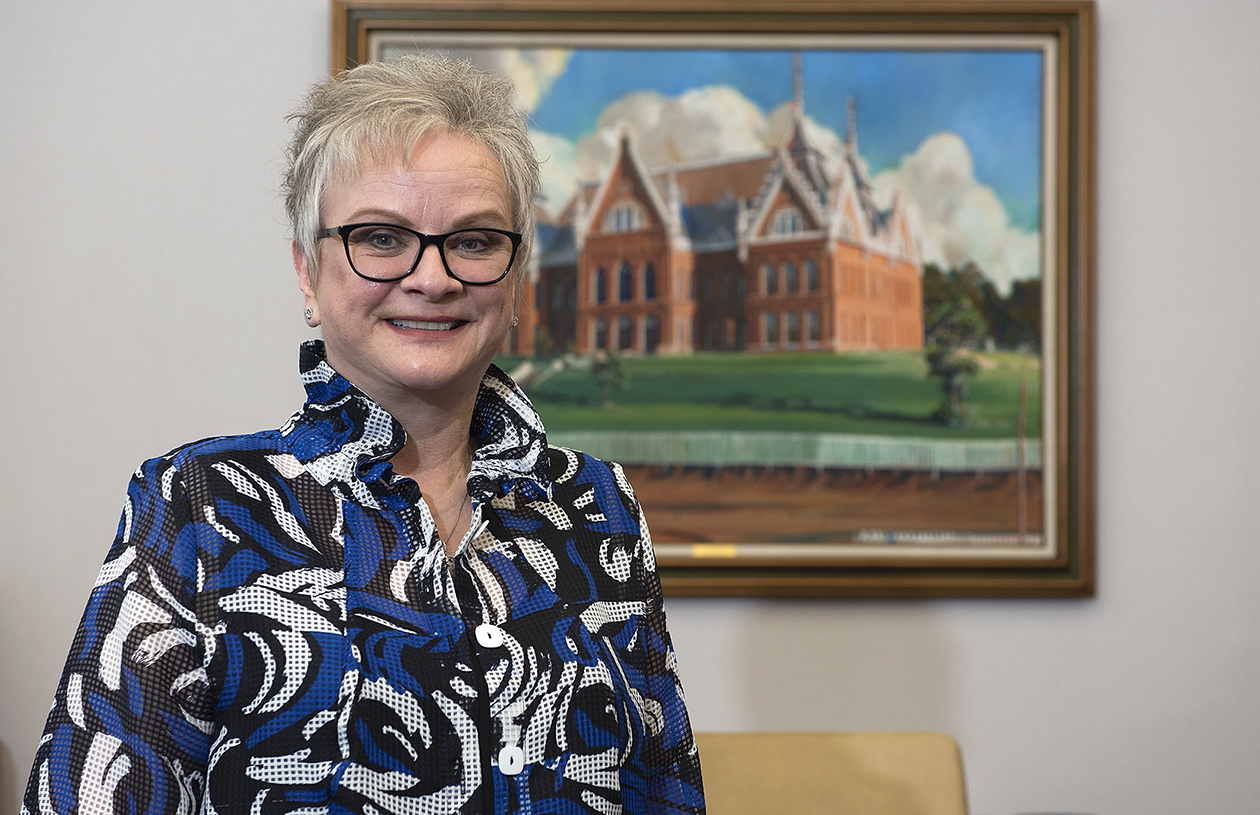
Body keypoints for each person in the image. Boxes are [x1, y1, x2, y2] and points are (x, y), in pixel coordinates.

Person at [24, 55, 704, 815]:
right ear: (308, 273)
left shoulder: (599, 505)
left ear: (517, 278)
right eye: (381, 237)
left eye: (474, 241)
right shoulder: (197, 506)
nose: (432, 277)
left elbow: (666, 790)